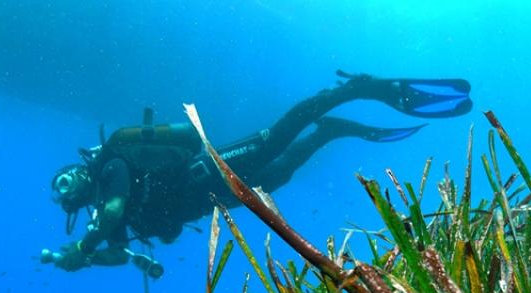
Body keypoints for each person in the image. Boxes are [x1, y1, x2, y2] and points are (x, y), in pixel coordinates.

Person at [41, 71, 473, 276]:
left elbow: (113, 210)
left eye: (63, 180)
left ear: (78, 172)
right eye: (61, 194)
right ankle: (330, 130)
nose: (66, 190)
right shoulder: (102, 219)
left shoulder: (112, 169)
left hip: (209, 169)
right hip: (214, 198)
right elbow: (118, 252)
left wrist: (81, 246)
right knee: (280, 174)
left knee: (275, 139)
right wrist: (86, 258)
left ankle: (354, 89)